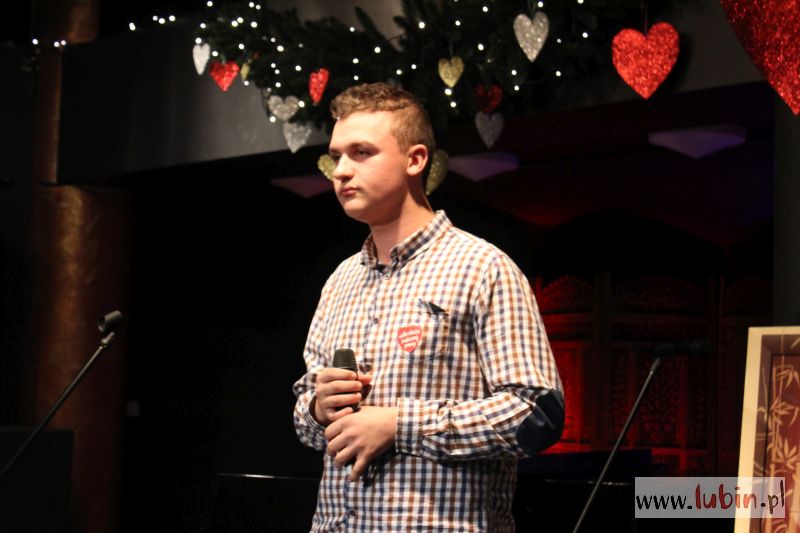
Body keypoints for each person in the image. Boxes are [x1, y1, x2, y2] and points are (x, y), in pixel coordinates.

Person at [293, 82, 564, 532]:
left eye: (361, 153)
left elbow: (536, 414)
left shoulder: (482, 268)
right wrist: (318, 409)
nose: (341, 171)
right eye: (336, 156)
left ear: (415, 159)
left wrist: (401, 425)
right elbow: (304, 417)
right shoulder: (339, 281)